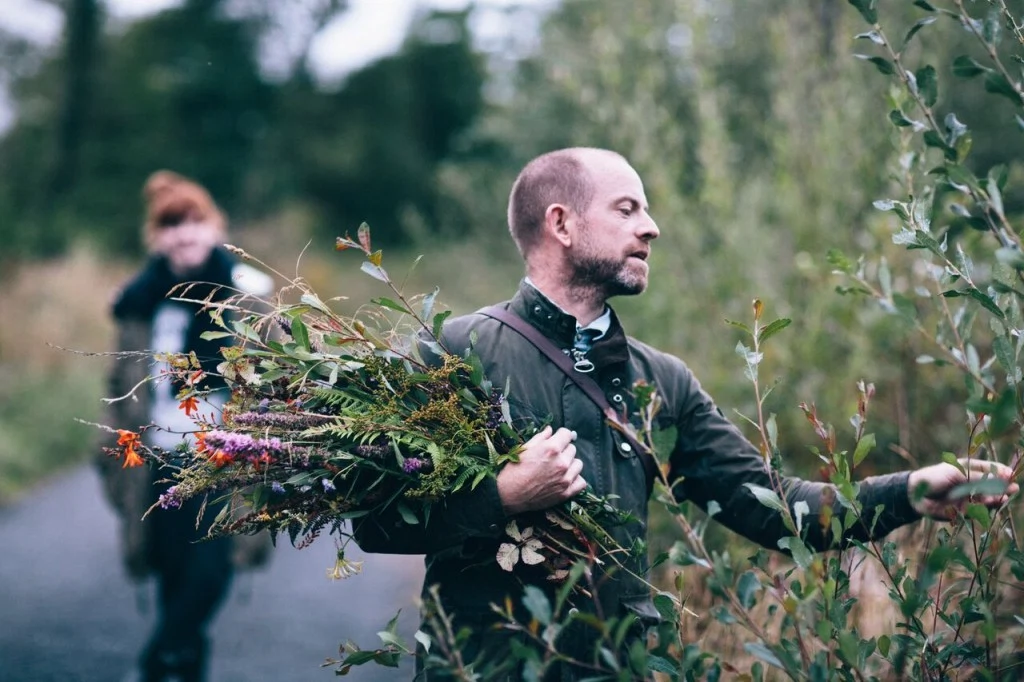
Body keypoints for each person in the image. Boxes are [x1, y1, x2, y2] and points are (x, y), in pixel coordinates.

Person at [353, 147, 1018, 679]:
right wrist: (504, 494)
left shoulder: (660, 381)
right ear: (562, 223)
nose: (652, 226)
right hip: (482, 669)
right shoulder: (453, 352)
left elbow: (775, 509)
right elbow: (378, 520)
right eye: (628, 208)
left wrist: (910, 490)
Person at [96, 170, 274, 682]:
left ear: (214, 227)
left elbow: (277, 374)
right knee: (171, 572)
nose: (185, 233)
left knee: (210, 570)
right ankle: (183, 666)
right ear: (157, 236)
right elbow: (119, 388)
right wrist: (114, 456)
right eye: (172, 224)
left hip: (224, 459)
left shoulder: (247, 297)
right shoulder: (138, 304)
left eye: (195, 221)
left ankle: (156, 660)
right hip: (156, 456)